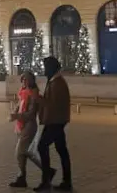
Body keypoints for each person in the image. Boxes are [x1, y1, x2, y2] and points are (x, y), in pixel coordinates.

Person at [34, 56, 72, 192]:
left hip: (55, 121)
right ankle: (66, 181)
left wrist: (38, 98)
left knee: (42, 146)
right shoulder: (54, 81)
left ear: (51, 68)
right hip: (56, 120)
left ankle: (46, 180)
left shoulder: (57, 83)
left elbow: (52, 105)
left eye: (46, 68)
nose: (45, 71)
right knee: (61, 150)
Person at [8, 71, 47, 188]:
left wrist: (16, 116)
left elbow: (31, 114)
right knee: (25, 153)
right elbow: (19, 105)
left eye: (26, 80)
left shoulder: (33, 94)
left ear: (31, 81)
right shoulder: (23, 92)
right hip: (21, 124)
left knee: (20, 152)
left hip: (29, 126)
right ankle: (22, 178)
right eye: (23, 79)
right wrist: (14, 112)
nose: (24, 82)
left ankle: (46, 170)